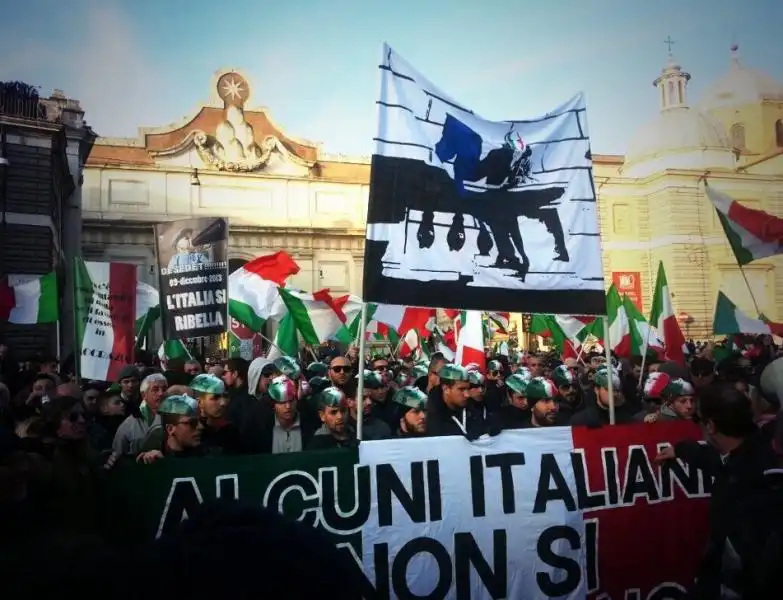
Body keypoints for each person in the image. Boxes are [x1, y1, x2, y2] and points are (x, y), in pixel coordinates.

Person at [656, 383, 783, 598]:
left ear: (711, 426)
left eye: (699, 420)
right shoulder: (753, 450)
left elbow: (746, 564)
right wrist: (681, 450)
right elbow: (717, 461)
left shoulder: (750, 487)